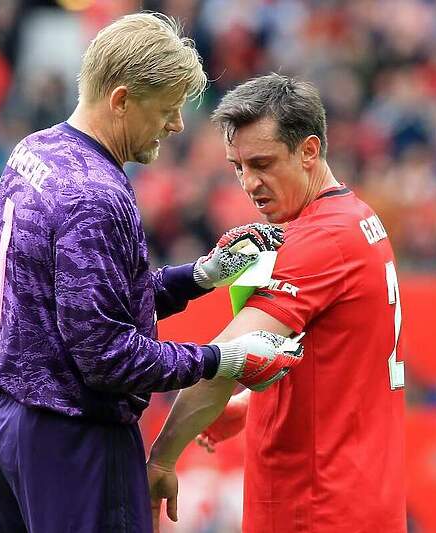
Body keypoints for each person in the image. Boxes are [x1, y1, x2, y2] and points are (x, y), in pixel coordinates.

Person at [0, 13, 304, 533]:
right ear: (121, 100)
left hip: (3, 420)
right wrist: (224, 360)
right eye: (167, 109)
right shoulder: (96, 193)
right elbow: (106, 356)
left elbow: (86, 302)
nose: (176, 126)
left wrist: (200, 277)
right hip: (71, 437)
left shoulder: (33, 151)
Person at [148, 73, 407, 532]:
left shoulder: (320, 239)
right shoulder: (358, 220)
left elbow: (226, 361)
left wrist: (162, 458)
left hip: (316, 510)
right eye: (238, 166)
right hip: (358, 504)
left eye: (263, 163)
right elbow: (341, 367)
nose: (249, 182)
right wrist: (252, 405)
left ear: (309, 150)